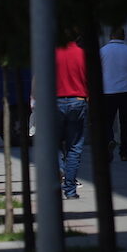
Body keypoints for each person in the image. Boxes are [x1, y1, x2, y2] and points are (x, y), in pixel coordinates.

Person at [99, 27, 127, 161]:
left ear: (111, 36)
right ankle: (124, 153)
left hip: (107, 92)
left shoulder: (102, 51)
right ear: (124, 36)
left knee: (107, 121)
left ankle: (109, 140)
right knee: (126, 123)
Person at [56, 38, 88, 200]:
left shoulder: (52, 53)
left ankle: (60, 167)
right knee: (74, 147)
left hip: (55, 101)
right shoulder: (83, 54)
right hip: (78, 101)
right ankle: (70, 190)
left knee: (54, 143)